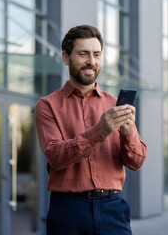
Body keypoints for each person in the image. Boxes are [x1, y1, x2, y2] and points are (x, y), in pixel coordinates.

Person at [35, 24, 147, 235]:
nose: (91, 61)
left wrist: (128, 132)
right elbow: (56, 156)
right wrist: (101, 131)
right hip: (68, 211)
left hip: (113, 209)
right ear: (66, 57)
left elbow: (136, 162)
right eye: (83, 54)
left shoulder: (116, 105)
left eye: (97, 54)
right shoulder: (47, 105)